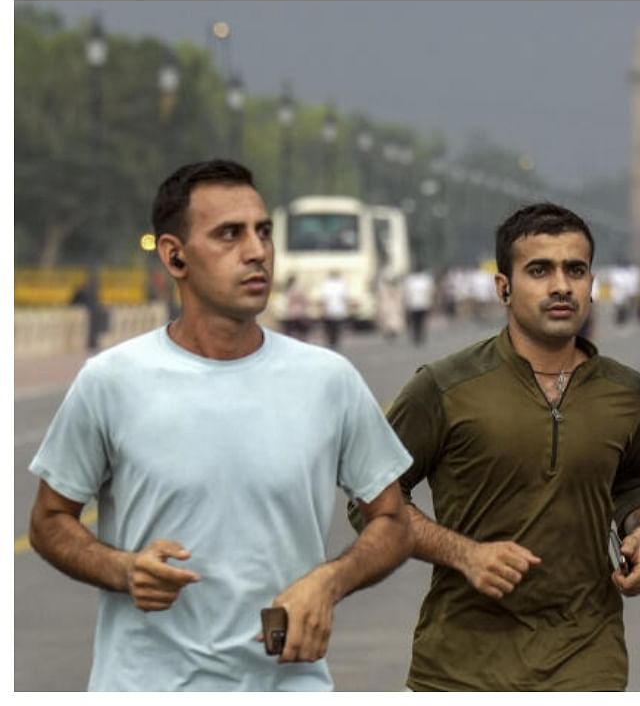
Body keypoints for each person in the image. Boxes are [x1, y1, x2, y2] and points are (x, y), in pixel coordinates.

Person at [26, 159, 413, 690]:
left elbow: (393, 519)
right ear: (174, 256)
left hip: (288, 686)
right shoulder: (110, 381)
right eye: (229, 235)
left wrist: (329, 581)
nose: (256, 252)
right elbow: (49, 522)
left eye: (263, 232)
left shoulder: (329, 380)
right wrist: (125, 570)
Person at [355, 202, 640, 691]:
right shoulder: (444, 387)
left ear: (591, 283)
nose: (561, 285)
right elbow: (369, 494)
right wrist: (464, 554)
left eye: (576, 269)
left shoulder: (623, 391)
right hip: (461, 663)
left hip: (586, 653)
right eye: (540, 270)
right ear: (503, 286)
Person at [403, 266, 435, 347]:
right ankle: (419, 336)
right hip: (421, 303)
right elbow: (430, 291)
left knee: (417, 321)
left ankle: (418, 336)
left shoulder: (410, 280)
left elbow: (406, 293)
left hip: (416, 304)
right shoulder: (425, 279)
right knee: (420, 321)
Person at [319, 269, 349, 350]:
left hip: (329, 310)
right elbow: (344, 298)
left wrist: (323, 310)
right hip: (339, 310)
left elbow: (325, 299)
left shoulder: (326, 285)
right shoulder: (342, 284)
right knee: (337, 328)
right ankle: (335, 343)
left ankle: (331, 343)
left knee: (330, 329)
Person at [281, 273, 311, 341]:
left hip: (291, 313)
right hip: (300, 312)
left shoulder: (288, 289)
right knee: (301, 332)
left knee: (292, 331)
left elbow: (288, 302)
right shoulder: (298, 288)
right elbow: (305, 300)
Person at [376, 273, 406, 342]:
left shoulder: (397, 290)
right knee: (388, 320)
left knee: (394, 320)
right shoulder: (385, 291)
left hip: (394, 308)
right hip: (388, 308)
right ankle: (389, 331)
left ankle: (393, 331)